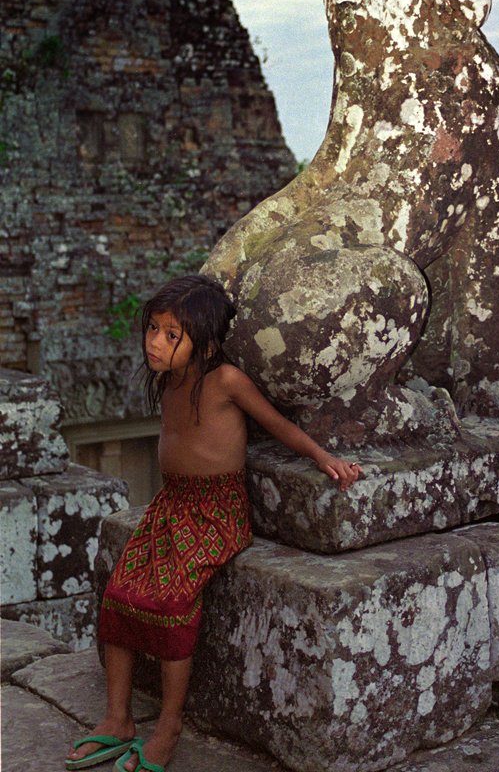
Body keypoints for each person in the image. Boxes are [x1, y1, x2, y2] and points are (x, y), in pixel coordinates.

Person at [66, 274, 361, 772]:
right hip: (171, 504)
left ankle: (169, 724)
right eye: (153, 329)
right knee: (121, 593)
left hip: (215, 511)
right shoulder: (169, 379)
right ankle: (118, 718)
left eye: (171, 334)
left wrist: (323, 458)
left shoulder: (225, 381)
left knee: (169, 598)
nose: (155, 343)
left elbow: (277, 423)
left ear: (206, 342)